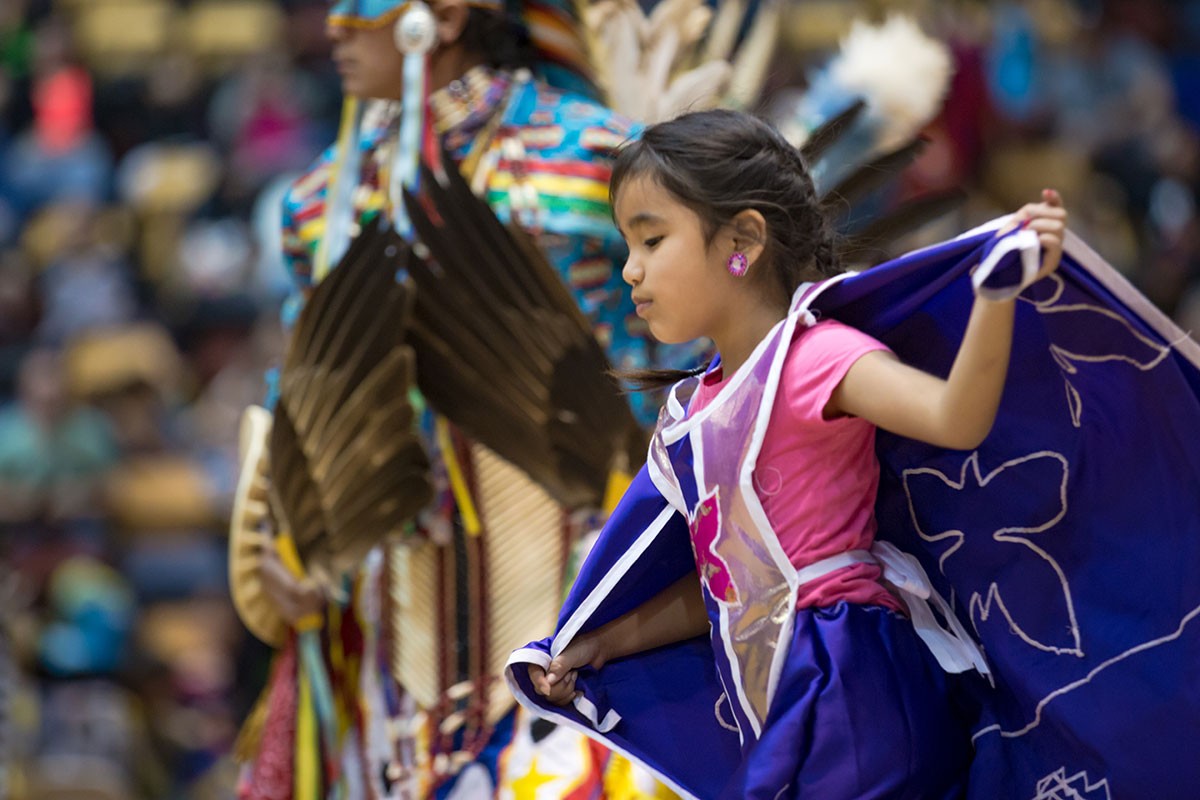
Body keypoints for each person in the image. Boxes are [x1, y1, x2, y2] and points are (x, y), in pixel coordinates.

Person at [520, 109, 1067, 798]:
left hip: (851, 681)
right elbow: (729, 581)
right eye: (628, 244)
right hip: (780, 687)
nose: (631, 269)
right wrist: (600, 644)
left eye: (652, 240)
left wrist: (995, 296)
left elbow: (954, 419)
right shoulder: (692, 410)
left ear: (742, 241)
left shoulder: (815, 359)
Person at [231, 1, 687, 797]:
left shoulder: (596, 162)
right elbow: (304, 389)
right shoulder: (320, 201)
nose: (334, 25)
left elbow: (692, 360)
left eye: (357, 6)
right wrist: (282, 534)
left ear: (443, 15)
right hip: (393, 609)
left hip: (592, 583)